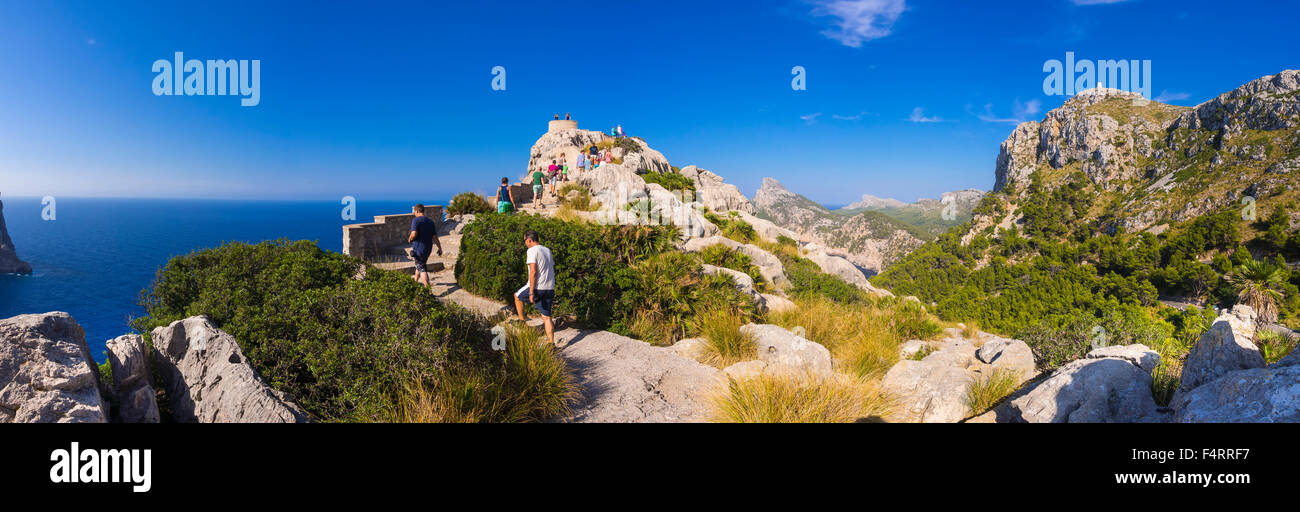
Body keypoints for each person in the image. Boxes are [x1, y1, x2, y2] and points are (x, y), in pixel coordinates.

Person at [514, 229, 556, 346]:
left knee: (517, 296)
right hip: (549, 287)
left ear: (529, 240)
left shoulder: (532, 251)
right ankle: (551, 344)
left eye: (525, 241)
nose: (525, 243)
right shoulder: (548, 250)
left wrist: (531, 292)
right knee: (546, 317)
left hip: (538, 287)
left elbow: (533, 271)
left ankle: (522, 321)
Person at [407, 204, 442, 288]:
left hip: (419, 249)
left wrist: (410, 239)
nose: (414, 213)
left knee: (422, 268)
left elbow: (414, 233)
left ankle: (427, 288)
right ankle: (415, 282)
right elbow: (435, 237)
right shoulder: (430, 221)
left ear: (417, 211)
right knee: (419, 265)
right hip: (428, 248)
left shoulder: (416, 221)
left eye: (414, 212)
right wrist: (439, 248)